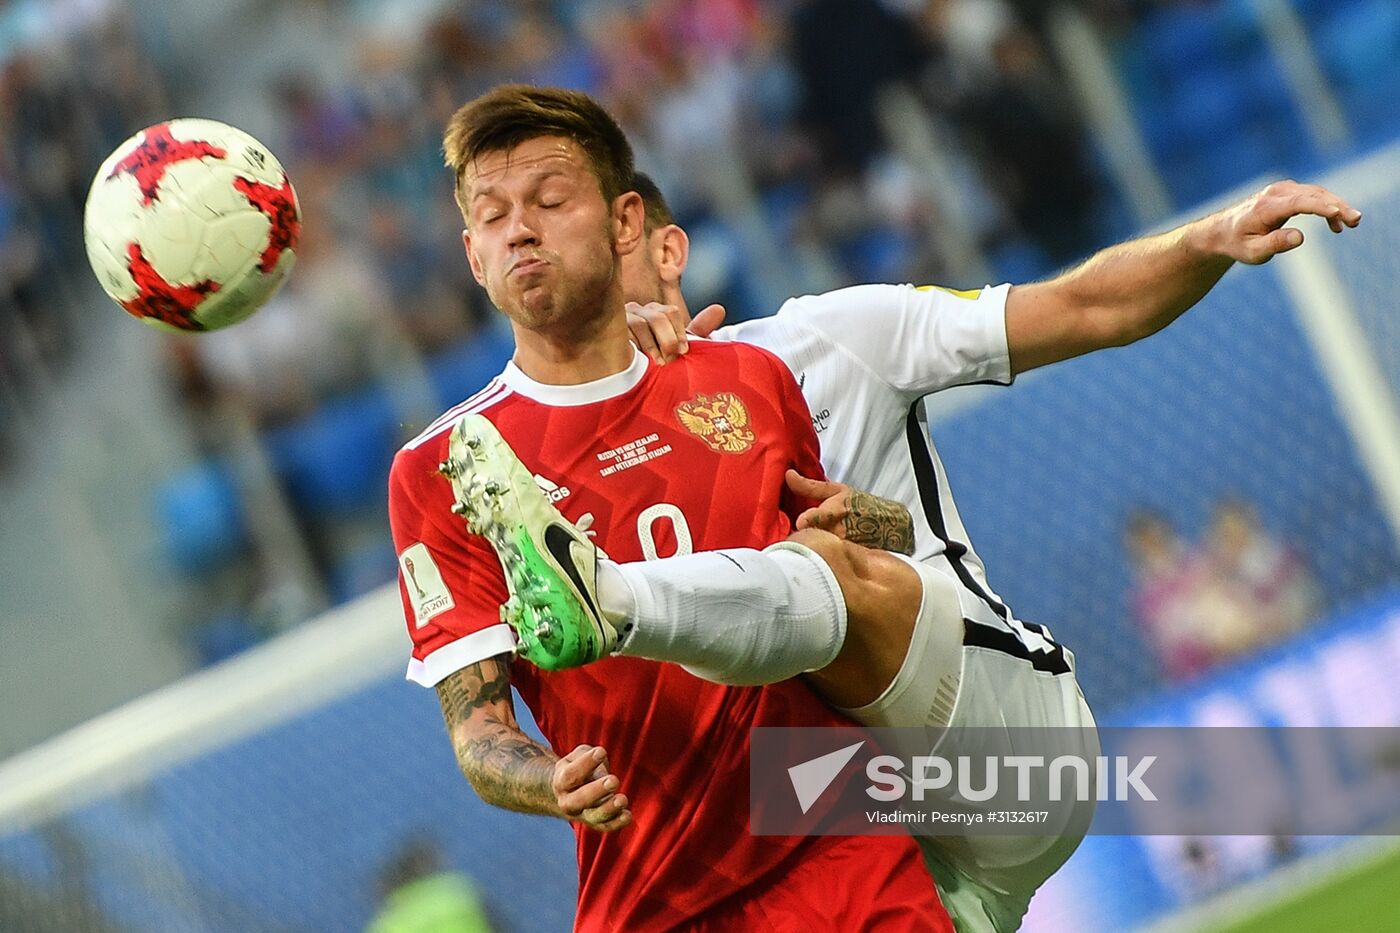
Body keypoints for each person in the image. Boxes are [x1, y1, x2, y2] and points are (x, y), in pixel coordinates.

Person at [604, 170, 1360, 930]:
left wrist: (1206, 238)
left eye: (607, 251)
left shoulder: (827, 339)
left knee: (813, 571)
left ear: (669, 248)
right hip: (843, 824)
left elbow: (1084, 306)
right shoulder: (600, 474)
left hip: (990, 745)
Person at [389, 85, 953, 932]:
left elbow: (852, 551)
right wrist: (552, 781)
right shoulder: (445, 468)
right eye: (493, 215)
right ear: (473, 256)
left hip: (838, 838)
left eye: (548, 200)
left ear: (624, 224)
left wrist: (871, 523)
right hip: (661, 897)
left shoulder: (746, 381)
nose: (521, 230)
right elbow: (477, 731)